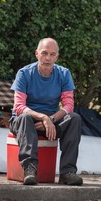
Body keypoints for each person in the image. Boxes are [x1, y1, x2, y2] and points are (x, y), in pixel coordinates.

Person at [9, 38, 83, 186]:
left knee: (74, 118)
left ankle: (67, 172)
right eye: (44, 53)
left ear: (57, 57)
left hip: (52, 121)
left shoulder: (64, 73)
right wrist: (44, 118)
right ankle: (30, 170)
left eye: (52, 54)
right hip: (26, 120)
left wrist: (51, 120)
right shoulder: (24, 73)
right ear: (37, 54)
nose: (47, 58)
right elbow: (19, 107)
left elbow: (69, 106)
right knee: (24, 118)